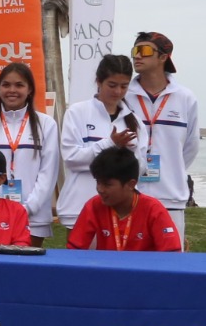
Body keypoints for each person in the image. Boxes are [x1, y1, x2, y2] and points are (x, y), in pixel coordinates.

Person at [0, 62, 58, 246]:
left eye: (19, 85)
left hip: (33, 216)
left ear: (30, 90)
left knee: (27, 270)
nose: (12, 90)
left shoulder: (46, 124)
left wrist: (27, 209)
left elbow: (48, 173)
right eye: (6, 85)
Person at [60, 55, 148, 229]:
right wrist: (110, 144)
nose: (118, 92)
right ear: (98, 81)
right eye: (112, 85)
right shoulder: (77, 112)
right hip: (79, 208)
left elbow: (140, 169)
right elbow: (71, 158)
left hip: (120, 211)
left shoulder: (134, 121)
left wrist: (127, 157)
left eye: (124, 86)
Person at [129, 31, 198, 237]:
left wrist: (171, 168)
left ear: (163, 57)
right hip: (130, 196)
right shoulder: (125, 95)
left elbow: (190, 146)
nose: (137, 55)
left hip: (171, 196)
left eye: (145, 50)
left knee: (170, 263)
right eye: (134, 50)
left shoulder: (185, 98)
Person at [68, 146, 181, 252]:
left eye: (107, 184)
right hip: (106, 271)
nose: (100, 189)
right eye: (98, 182)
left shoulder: (153, 209)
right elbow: (74, 251)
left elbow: (172, 256)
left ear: (131, 184)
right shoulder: (94, 205)